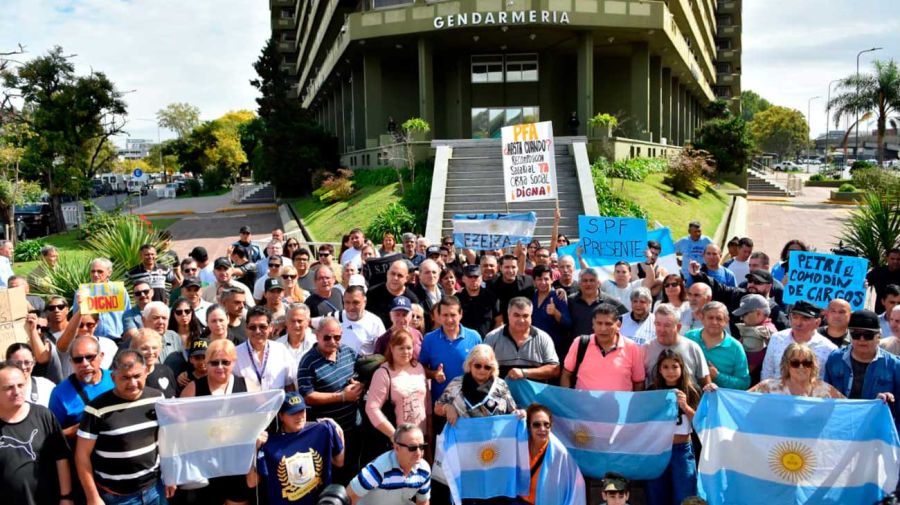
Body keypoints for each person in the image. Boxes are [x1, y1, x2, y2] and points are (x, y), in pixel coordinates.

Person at [75, 350, 173, 504]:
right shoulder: (96, 409)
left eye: (137, 376)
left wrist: (170, 476)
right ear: (113, 378)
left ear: (146, 372)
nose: (133, 383)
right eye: (125, 378)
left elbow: (166, 440)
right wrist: (92, 497)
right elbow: (81, 455)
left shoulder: (158, 398)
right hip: (117, 498)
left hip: (155, 490)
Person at [180, 339, 256, 503]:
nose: (220, 367)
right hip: (205, 464)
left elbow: (258, 419)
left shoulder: (248, 386)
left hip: (237, 462)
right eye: (214, 363)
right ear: (206, 363)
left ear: (234, 362)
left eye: (225, 362)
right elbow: (180, 427)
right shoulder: (193, 388)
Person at [298, 318, 364, 483]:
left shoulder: (349, 352)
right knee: (332, 478)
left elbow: (363, 373)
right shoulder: (308, 362)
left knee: (353, 474)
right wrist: (342, 396)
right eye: (327, 337)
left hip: (353, 428)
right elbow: (308, 396)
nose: (332, 341)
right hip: (328, 434)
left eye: (337, 337)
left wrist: (361, 384)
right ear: (317, 335)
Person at [251, 392, 346, 504]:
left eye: (302, 411)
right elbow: (252, 482)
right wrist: (254, 450)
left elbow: (339, 462)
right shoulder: (269, 444)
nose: (299, 416)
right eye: (293, 413)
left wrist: (339, 431)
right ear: (281, 416)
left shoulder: (321, 430)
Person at [0, 362, 73, 505]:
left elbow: (61, 457)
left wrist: (66, 497)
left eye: (21, 385)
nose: (16, 391)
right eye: (8, 388)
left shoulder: (43, 415)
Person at [645, 350, 700, 505]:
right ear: (660, 370)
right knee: (656, 494)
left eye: (675, 367)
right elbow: (645, 421)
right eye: (666, 367)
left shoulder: (691, 390)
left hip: (681, 450)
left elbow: (699, 422)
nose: (670, 371)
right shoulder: (652, 391)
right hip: (658, 449)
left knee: (685, 496)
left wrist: (685, 406)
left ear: (681, 368)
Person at [825, 310, 900, 420]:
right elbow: (825, 396)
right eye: (856, 334)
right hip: (839, 423)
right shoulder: (835, 358)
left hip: (874, 428)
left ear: (878, 336)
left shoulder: (894, 365)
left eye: (868, 335)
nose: (861, 339)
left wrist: (888, 401)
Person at [418, 297, 483, 421]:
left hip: (471, 406)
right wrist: (433, 374)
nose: (449, 320)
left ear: (461, 314)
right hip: (441, 408)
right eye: (445, 315)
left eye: (453, 315)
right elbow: (421, 368)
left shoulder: (474, 337)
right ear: (439, 316)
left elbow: (485, 367)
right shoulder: (429, 339)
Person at [366, 329, 429, 447]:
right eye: (401, 348)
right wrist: (394, 435)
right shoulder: (383, 373)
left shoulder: (419, 368)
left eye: (409, 348)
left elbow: (427, 402)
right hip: (398, 442)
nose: (406, 352)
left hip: (420, 438)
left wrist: (429, 433)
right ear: (391, 348)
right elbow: (372, 408)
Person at [561, 304, 645, 391]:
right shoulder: (580, 343)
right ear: (593, 324)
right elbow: (566, 374)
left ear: (618, 325)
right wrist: (569, 400)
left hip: (619, 404)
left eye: (608, 324)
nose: (603, 328)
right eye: (599, 323)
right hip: (584, 404)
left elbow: (638, 382)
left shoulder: (632, 347)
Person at [688, 263, 790, 335]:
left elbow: (786, 332)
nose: (752, 285)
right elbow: (716, 287)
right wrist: (697, 275)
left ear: (769, 286)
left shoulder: (773, 309)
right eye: (750, 281)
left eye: (758, 282)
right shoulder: (737, 295)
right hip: (734, 351)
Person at [516, 403, 585, 505]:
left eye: (546, 424)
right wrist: (515, 417)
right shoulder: (520, 443)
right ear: (529, 427)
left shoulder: (559, 453)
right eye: (536, 424)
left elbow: (576, 484)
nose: (542, 429)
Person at [48, 336, 115, 439]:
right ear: (71, 362)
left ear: (101, 356)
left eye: (90, 357)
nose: (85, 364)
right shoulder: (60, 393)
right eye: (78, 359)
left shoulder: (117, 379)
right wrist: (81, 429)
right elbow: (53, 436)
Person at [347, 423, 431, 504]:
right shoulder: (379, 469)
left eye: (421, 447)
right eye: (412, 448)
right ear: (397, 448)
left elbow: (423, 502)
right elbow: (349, 496)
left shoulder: (424, 470)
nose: (419, 453)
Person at [434, 344, 519, 424]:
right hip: (463, 438)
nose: (482, 370)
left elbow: (512, 410)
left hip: (495, 438)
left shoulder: (501, 385)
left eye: (487, 367)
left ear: (492, 368)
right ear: (470, 365)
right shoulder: (456, 384)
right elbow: (437, 408)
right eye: (478, 366)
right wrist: (447, 408)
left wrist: (519, 413)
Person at [484, 297, 560, 382]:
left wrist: (525, 372)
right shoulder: (492, 337)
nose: (521, 320)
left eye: (525, 316)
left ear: (531, 316)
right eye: (516, 315)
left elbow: (555, 369)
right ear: (508, 315)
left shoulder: (543, 338)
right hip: (499, 393)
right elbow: (481, 368)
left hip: (532, 394)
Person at [762, 301, 837, 381]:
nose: (798, 323)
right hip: (775, 392)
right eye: (795, 317)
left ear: (817, 322)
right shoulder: (777, 338)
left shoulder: (829, 349)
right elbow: (767, 373)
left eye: (805, 318)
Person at [684, 302, 750, 390]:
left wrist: (718, 376)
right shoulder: (689, 337)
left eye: (719, 318)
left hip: (719, 400)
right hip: (689, 395)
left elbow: (744, 383)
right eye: (710, 318)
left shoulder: (735, 347)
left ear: (726, 320)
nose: (714, 322)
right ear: (701, 318)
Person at [642, 304, 711, 388]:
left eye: (667, 325)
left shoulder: (692, 348)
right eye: (658, 324)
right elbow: (639, 382)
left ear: (678, 327)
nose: (661, 329)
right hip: (655, 399)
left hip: (689, 399)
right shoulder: (646, 349)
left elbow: (705, 382)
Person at [235, 305, 297, 391]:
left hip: (278, 404)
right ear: (246, 328)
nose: (257, 331)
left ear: (270, 327)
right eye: (252, 327)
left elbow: (290, 385)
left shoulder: (281, 350)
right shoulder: (235, 354)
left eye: (262, 327)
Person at [750, 343, 844, 398]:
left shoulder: (825, 390)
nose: (801, 367)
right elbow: (741, 400)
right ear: (786, 365)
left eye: (807, 363)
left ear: (813, 365)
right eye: (795, 363)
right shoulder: (768, 388)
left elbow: (848, 408)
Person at [73, 258, 132, 342]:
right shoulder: (82, 292)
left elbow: (127, 314)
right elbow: (75, 318)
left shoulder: (119, 290)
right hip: (93, 339)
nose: (95, 274)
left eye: (100, 271)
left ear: (109, 272)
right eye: (93, 271)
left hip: (117, 339)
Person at [567, 268, 627, 350]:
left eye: (592, 280)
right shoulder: (570, 301)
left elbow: (627, 320)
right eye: (585, 281)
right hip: (576, 350)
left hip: (603, 351)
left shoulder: (611, 302)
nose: (588, 284)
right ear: (579, 283)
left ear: (598, 283)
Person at [316, 286, 386, 355]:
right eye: (347, 302)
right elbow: (308, 322)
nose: (351, 307)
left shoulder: (375, 322)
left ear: (365, 302)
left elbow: (382, 351)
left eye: (356, 302)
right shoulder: (335, 316)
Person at [731, 294, 777, 385]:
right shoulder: (769, 328)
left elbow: (746, 370)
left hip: (751, 385)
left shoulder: (757, 333)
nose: (741, 318)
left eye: (744, 314)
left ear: (758, 313)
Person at [530, 264, 571, 350]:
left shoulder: (558, 296)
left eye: (546, 279)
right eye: (539, 279)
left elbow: (568, 324)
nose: (543, 282)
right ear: (534, 281)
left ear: (552, 280)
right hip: (534, 346)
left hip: (555, 348)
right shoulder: (531, 296)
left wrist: (555, 312)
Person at [489, 253, 535, 325]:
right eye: (507, 267)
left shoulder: (528, 282)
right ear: (500, 268)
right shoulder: (492, 284)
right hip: (502, 325)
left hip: (523, 323)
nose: (510, 271)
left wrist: (558, 289)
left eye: (513, 267)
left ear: (517, 268)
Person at [130, 329, 177, 398]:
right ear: (134, 350)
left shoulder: (166, 370)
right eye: (144, 348)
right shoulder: (130, 377)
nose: (151, 352)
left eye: (154, 348)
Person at [457, 264, 501, 338]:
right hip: (463, 340)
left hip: (487, 341)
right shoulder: (457, 299)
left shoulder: (491, 297)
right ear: (463, 279)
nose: (473, 280)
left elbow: (499, 321)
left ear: (481, 278)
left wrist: (492, 338)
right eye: (470, 277)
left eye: (476, 277)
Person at [6, 342, 56, 407]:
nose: (23, 367)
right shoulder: (2, 391)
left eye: (27, 362)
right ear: (8, 364)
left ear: (34, 362)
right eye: (17, 363)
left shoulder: (46, 386)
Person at [867, 248, 900, 315]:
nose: (895, 261)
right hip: (881, 314)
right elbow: (861, 283)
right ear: (887, 259)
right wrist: (865, 284)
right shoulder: (878, 272)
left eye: (898, 259)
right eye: (892, 259)